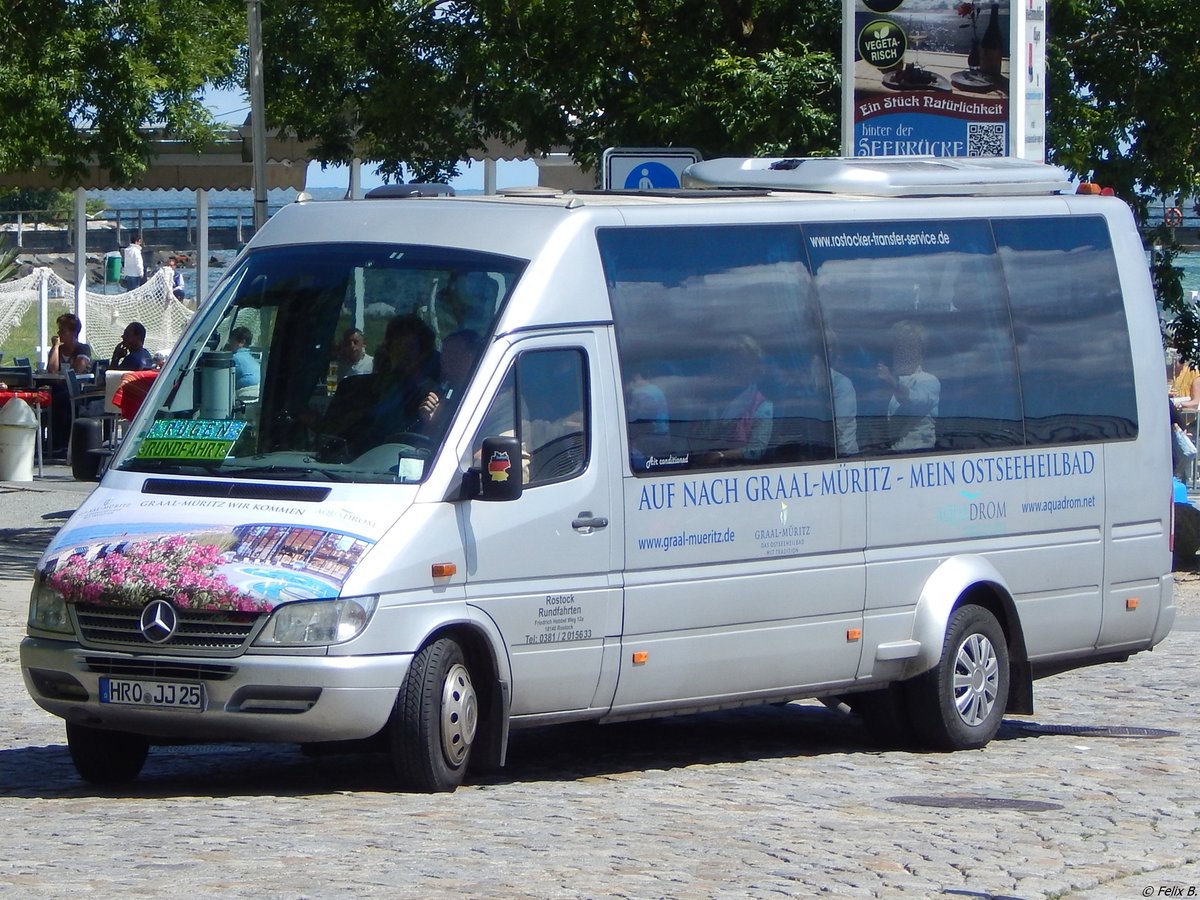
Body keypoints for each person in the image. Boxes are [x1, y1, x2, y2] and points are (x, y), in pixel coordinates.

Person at [694, 334, 773, 465]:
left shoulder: (762, 406)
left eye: (745, 364)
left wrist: (721, 455)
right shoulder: (711, 400)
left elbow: (756, 449)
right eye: (732, 362)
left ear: (755, 367)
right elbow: (696, 440)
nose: (738, 369)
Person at [877, 319, 940, 451]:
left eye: (910, 347)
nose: (904, 352)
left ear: (922, 352)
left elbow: (914, 400)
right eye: (899, 347)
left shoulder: (929, 381)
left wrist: (892, 382)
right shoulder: (880, 386)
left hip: (920, 456)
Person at [417, 329, 481, 431]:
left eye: (455, 356)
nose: (447, 362)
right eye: (445, 356)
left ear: (473, 358)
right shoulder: (444, 391)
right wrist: (430, 420)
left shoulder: (486, 395)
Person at [225, 325, 260, 397]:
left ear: (241, 343)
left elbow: (224, 379)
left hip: (246, 392)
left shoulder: (234, 358)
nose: (229, 344)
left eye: (231, 340)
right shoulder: (250, 358)